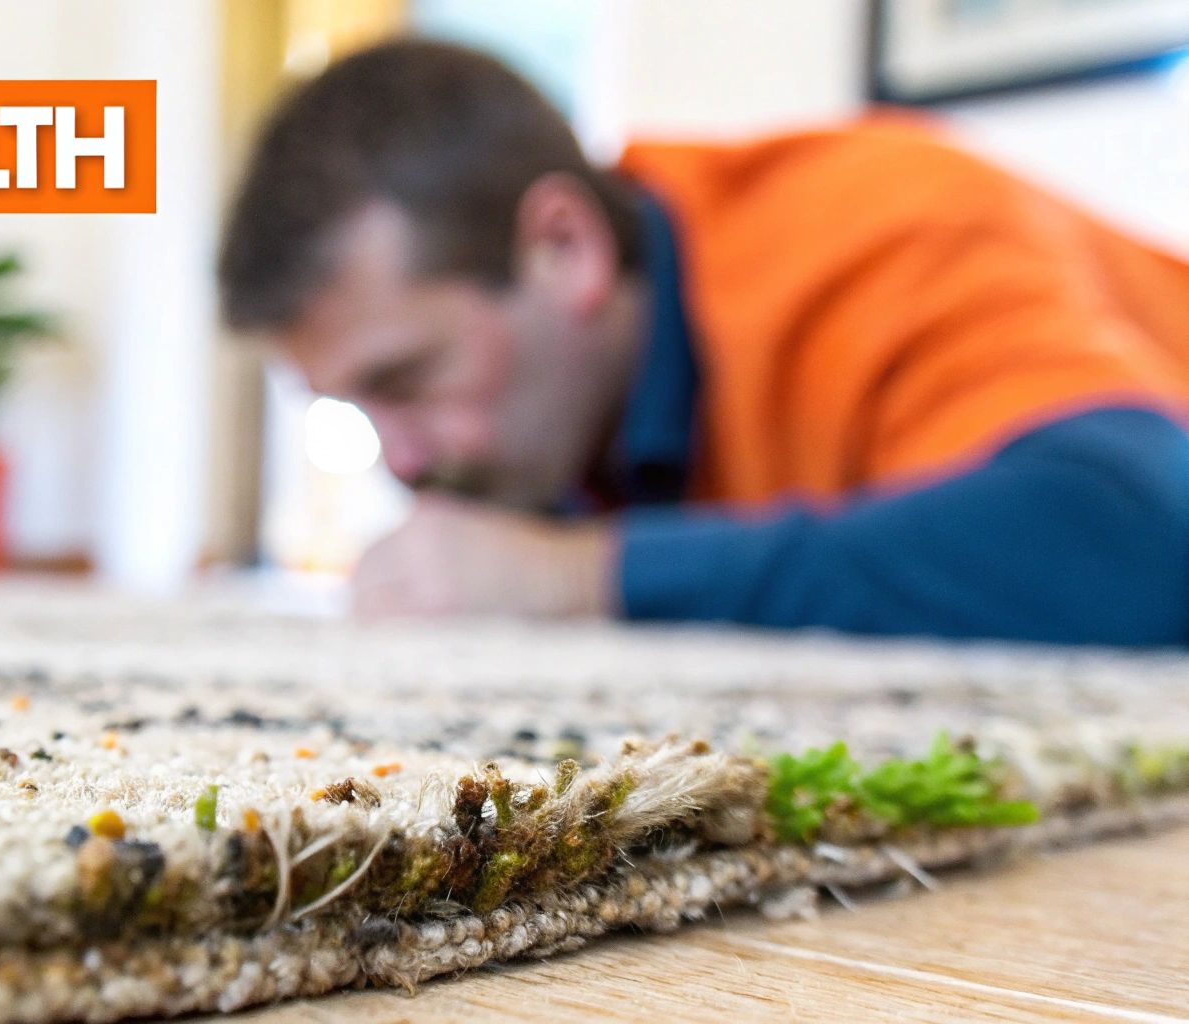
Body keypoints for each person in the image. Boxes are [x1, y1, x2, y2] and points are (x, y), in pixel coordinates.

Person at [216, 39, 1189, 646]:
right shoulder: (559, 424)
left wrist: (578, 574)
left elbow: (1140, 542)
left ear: (563, 249)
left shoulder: (889, 226)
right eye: (355, 407)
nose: (402, 457)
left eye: (408, 379)